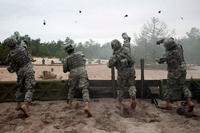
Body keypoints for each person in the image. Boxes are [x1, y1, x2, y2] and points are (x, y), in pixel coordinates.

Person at [156, 38, 194, 112]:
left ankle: (168, 103)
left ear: (168, 47)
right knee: (183, 85)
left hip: (173, 71)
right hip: (183, 69)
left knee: (169, 86)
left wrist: (157, 59)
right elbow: (168, 39)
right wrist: (160, 41)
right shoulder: (179, 47)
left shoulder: (169, 54)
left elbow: (160, 61)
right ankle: (190, 102)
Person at [5, 37, 36, 117]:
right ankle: (25, 105)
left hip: (20, 72)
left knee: (19, 88)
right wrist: (24, 41)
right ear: (15, 41)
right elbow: (24, 43)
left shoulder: (10, 54)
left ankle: (18, 104)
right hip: (28, 69)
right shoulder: (22, 47)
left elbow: (10, 66)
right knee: (30, 88)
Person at [63, 44, 92, 117]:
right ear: (73, 49)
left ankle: (70, 105)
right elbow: (84, 62)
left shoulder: (67, 58)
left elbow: (64, 70)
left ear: (67, 51)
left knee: (71, 89)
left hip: (73, 73)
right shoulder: (80, 54)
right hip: (82, 71)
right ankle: (86, 106)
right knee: (85, 89)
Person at [108, 39, 137, 110]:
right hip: (131, 70)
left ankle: (119, 102)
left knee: (121, 87)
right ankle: (133, 97)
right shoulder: (126, 48)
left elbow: (109, 65)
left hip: (122, 73)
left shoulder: (115, 55)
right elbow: (127, 40)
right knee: (132, 85)